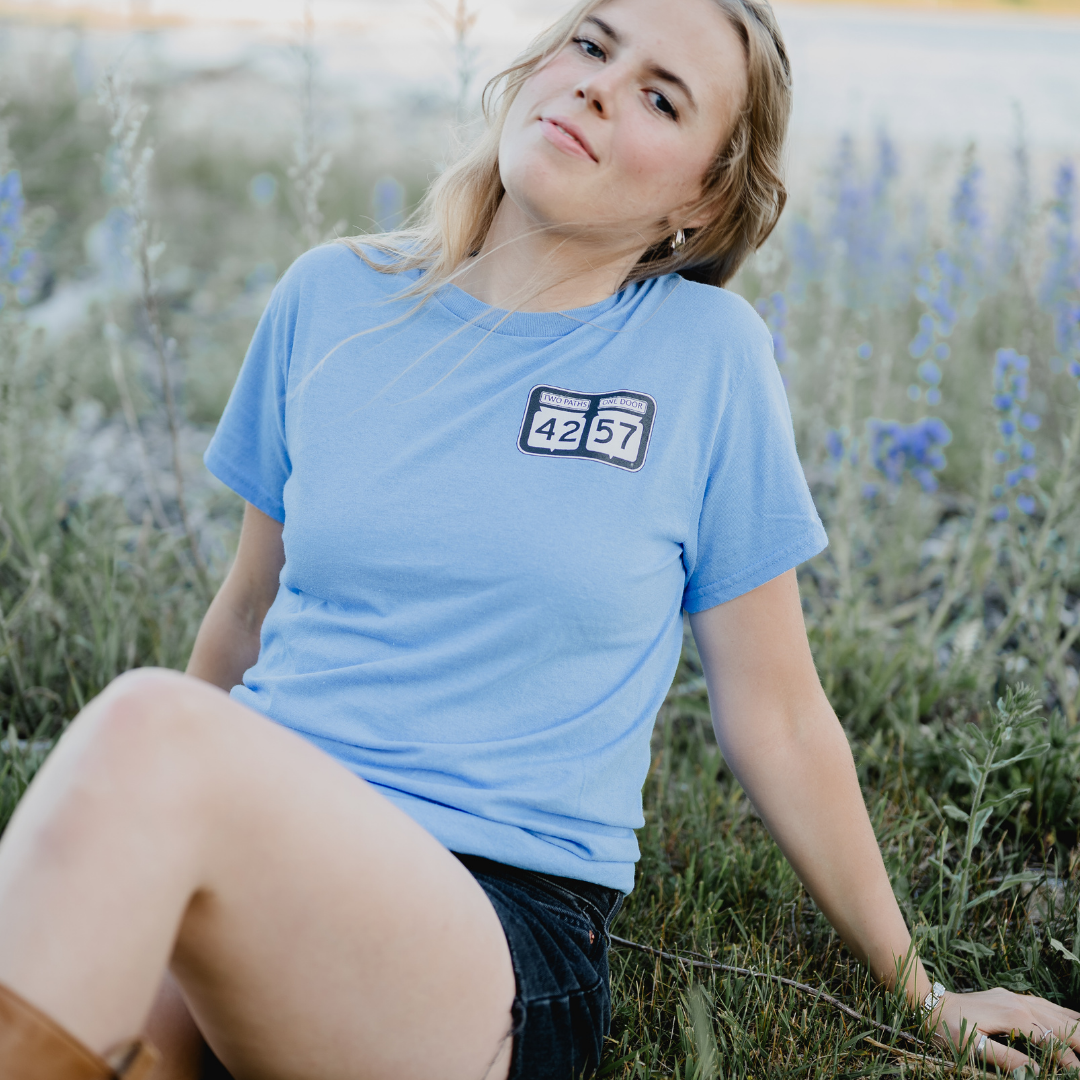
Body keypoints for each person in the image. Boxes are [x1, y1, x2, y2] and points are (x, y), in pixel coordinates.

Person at [0, 0, 1077, 1078]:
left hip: (490, 927)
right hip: (267, 846)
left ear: (701, 197)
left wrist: (918, 988)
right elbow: (245, 612)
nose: (601, 85)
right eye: (593, 44)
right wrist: (166, 832)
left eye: (662, 96)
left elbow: (781, 716)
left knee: (146, 727)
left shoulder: (705, 358)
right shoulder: (330, 297)